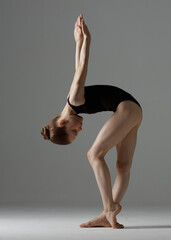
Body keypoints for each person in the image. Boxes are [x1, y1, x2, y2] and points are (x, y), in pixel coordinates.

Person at [41, 14, 143, 229]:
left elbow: (81, 70)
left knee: (93, 154)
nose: (80, 129)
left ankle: (109, 208)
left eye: (74, 131)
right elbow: (76, 70)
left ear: (62, 123)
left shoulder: (74, 99)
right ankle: (107, 215)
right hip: (134, 110)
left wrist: (87, 40)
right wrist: (77, 43)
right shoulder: (71, 100)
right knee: (123, 166)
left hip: (127, 108)